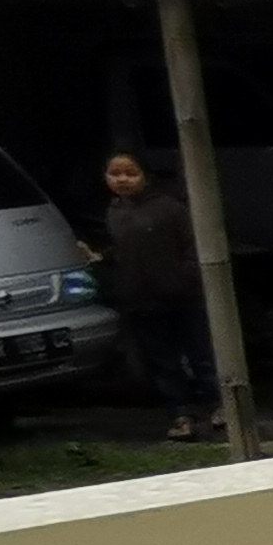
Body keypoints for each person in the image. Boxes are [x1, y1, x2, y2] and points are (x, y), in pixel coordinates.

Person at [99, 148, 215, 437]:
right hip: (142, 301)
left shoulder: (169, 207)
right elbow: (123, 253)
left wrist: (186, 278)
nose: (123, 180)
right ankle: (181, 415)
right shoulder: (114, 213)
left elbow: (192, 246)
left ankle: (220, 406)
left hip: (183, 297)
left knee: (201, 356)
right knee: (164, 364)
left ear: (145, 176)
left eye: (130, 173)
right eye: (115, 174)